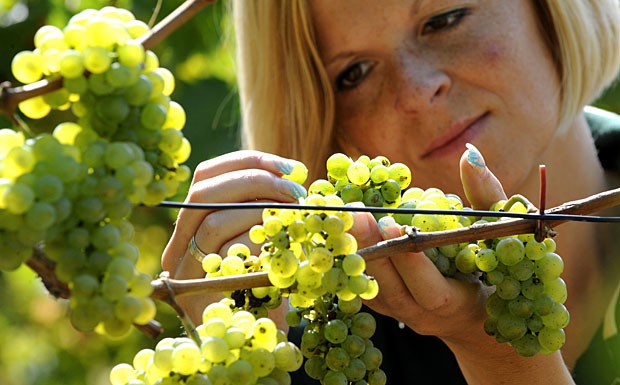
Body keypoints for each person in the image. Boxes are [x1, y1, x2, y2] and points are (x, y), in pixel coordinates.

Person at [162, 1, 620, 383]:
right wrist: (234, 359)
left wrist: (504, 361)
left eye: (443, 19)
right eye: (355, 72)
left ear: (547, 10)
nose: (416, 92)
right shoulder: (331, 346)